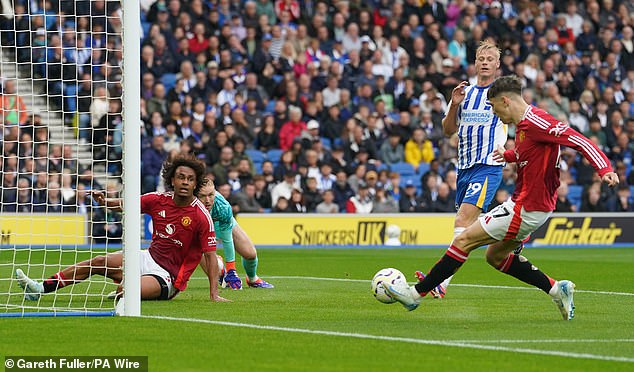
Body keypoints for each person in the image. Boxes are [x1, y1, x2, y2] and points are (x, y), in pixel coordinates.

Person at [385, 75, 619, 320]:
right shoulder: (524, 125)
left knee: (464, 239)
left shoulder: (537, 122)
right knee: (495, 256)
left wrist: (604, 169)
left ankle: (414, 295)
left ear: (505, 101)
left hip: (526, 208)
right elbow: (531, 152)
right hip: (535, 207)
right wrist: (508, 155)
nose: (495, 114)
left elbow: (578, 140)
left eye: (494, 107)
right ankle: (556, 289)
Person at [15, 155, 230, 303]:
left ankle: (125, 287)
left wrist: (214, 293)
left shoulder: (201, 215)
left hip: (168, 276)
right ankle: (40, 288)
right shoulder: (158, 199)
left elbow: (210, 257)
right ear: (172, 180)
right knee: (98, 261)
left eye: (190, 179)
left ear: (195, 184)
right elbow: (126, 203)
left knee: (125, 292)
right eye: (181, 177)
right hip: (147, 258)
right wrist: (105, 201)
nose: (185, 182)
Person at [433, 40, 508, 298]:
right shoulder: (464, 93)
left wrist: (512, 150)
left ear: (497, 64)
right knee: (470, 228)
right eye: (481, 58)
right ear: (475, 63)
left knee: (462, 221)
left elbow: (521, 122)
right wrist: (454, 104)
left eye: (490, 59)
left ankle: (441, 282)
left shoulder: (503, 94)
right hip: (464, 167)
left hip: (488, 165)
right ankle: (510, 232)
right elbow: (447, 129)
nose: (485, 62)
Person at [196, 177, 274, 289]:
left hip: (221, 223)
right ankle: (220, 270)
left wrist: (232, 270)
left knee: (250, 254)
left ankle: (252, 279)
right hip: (202, 228)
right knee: (211, 266)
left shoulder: (223, 207)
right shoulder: (189, 206)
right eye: (203, 196)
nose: (208, 200)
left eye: (211, 194)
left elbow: (227, 240)